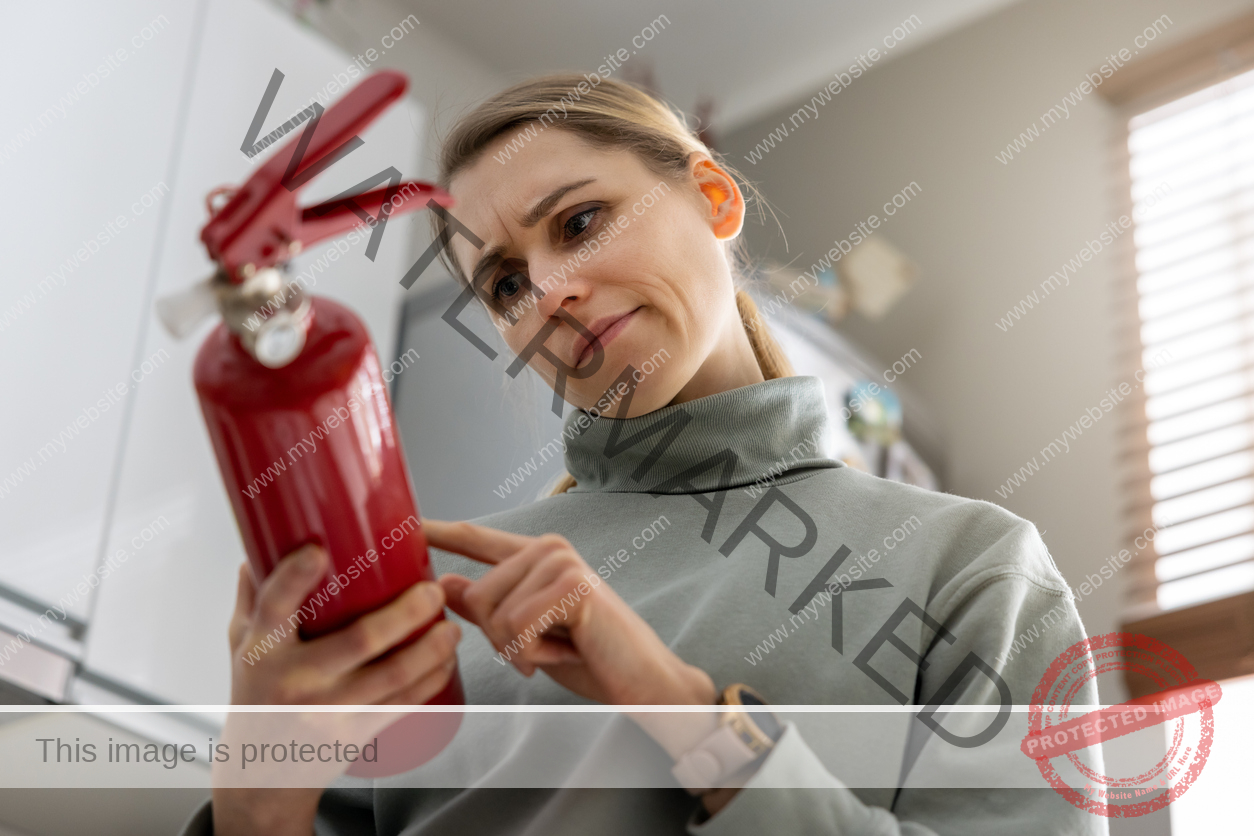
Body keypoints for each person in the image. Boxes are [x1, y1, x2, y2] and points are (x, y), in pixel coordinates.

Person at [186, 74, 1104, 835]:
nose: (547, 291)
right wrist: (259, 788)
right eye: (505, 284)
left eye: (580, 223)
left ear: (715, 198)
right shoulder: (422, 595)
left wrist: (688, 714)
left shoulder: (970, 567)